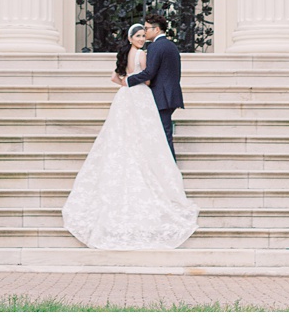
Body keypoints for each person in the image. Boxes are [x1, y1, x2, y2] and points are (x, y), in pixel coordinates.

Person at [59, 21, 199, 250]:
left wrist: (125, 83)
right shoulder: (143, 53)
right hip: (141, 95)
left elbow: (116, 77)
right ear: (132, 37)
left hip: (125, 96)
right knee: (147, 131)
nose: (143, 38)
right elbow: (148, 77)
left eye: (145, 34)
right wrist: (135, 81)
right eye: (140, 35)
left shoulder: (125, 53)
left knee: (126, 130)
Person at [125, 12, 184, 158]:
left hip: (162, 96)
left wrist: (128, 80)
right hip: (170, 94)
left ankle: (171, 169)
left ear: (156, 29)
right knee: (163, 133)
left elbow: (149, 73)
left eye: (146, 28)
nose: (144, 32)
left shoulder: (155, 47)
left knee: (164, 134)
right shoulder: (171, 46)